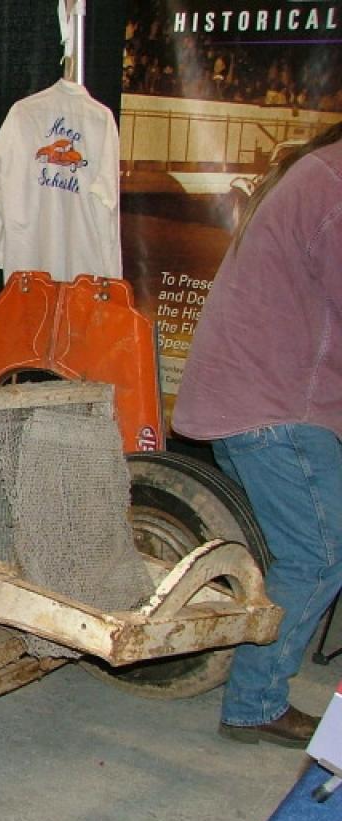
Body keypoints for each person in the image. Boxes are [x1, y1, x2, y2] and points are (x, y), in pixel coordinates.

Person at [172, 121, 342, 748]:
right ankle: (255, 703)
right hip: (277, 407)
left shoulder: (321, 171)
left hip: (262, 399)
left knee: (302, 549)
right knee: (319, 554)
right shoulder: (335, 182)